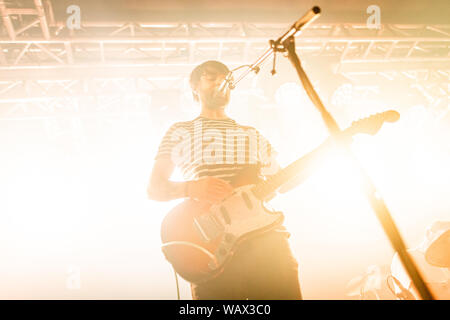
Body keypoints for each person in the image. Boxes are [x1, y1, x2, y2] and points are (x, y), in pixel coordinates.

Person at [147, 60, 303, 300]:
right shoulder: (180, 131)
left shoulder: (252, 134)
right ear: (194, 88)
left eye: (226, 80)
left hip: (266, 240)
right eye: (211, 78)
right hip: (211, 246)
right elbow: (154, 189)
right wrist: (192, 187)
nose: (220, 83)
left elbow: (282, 182)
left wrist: (326, 155)